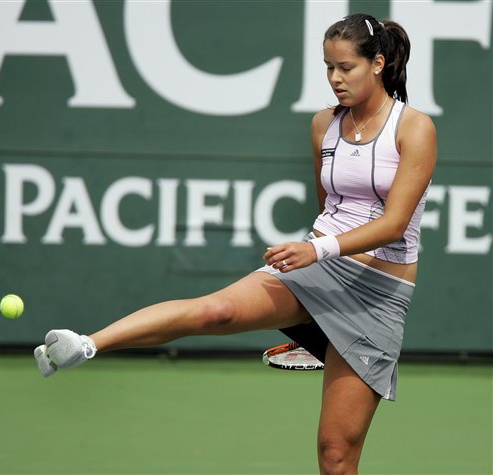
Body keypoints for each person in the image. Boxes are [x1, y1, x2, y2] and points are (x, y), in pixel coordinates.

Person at [34, 13, 436, 475]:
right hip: (320, 270)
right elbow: (332, 206)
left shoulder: (415, 128)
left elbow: (394, 224)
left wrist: (319, 249)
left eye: (346, 67)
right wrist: (318, 249)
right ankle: (86, 344)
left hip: (378, 295)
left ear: (378, 63)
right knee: (215, 310)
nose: (334, 78)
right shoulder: (323, 125)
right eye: (328, 67)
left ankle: (319, 334)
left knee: (336, 458)